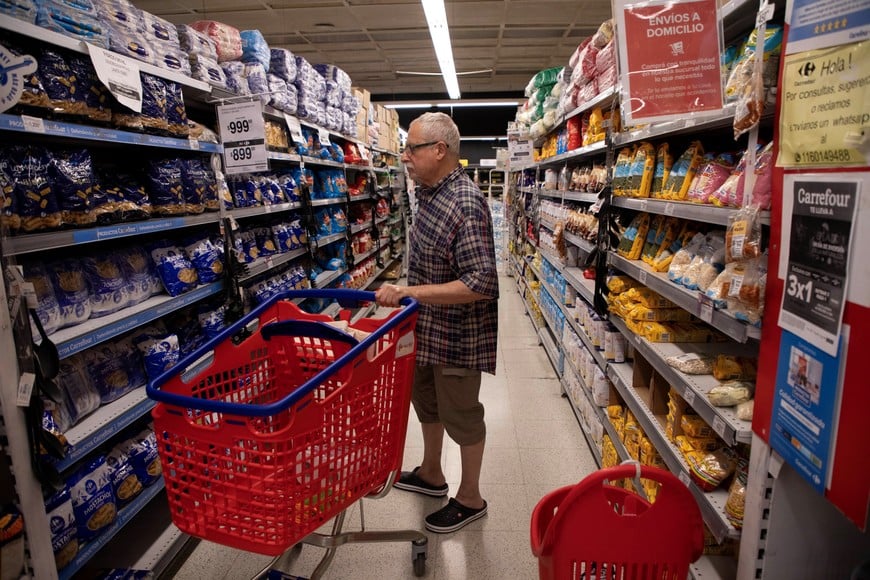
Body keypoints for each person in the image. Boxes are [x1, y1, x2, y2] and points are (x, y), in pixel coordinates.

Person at [375, 112, 499, 533]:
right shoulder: (427, 192)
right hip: (425, 329)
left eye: (412, 148)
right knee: (425, 402)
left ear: (440, 150)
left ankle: (470, 497)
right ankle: (431, 473)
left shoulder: (464, 202)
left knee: (462, 414)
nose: (405, 156)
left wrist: (411, 293)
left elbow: (481, 283)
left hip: (459, 335)